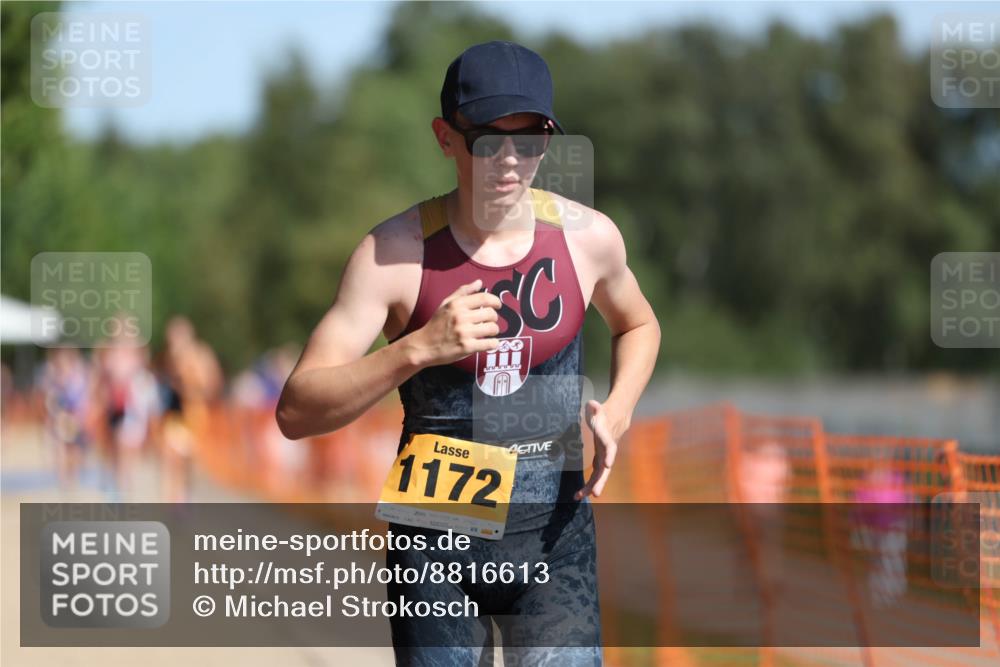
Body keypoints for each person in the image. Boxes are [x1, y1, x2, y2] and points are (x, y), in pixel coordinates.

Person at [277, 40, 660, 666]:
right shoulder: (392, 255)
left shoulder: (588, 239)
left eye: (531, 139)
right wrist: (418, 349)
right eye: (488, 139)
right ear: (445, 137)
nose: (511, 161)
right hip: (433, 543)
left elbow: (639, 324)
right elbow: (296, 410)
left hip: (552, 540)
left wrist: (617, 411)